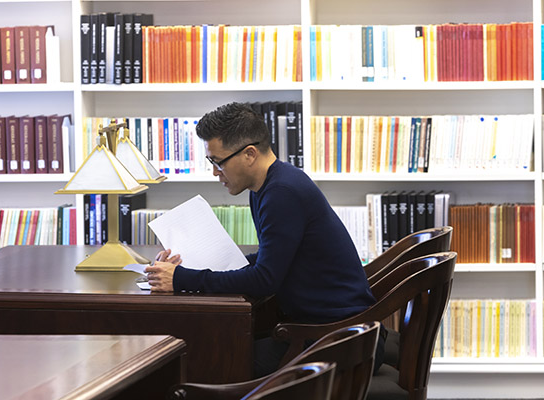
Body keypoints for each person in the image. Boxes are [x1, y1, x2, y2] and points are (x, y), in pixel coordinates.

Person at [145, 102, 383, 377]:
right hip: (330, 329)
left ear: (249, 154)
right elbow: (271, 258)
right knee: (213, 351)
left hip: (336, 339)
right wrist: (189, 268)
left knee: (207, 363)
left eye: (217, 162)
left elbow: (264, 280)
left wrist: (181, 279)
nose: (214, 172)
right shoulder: (269, 185)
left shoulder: (281, 192)